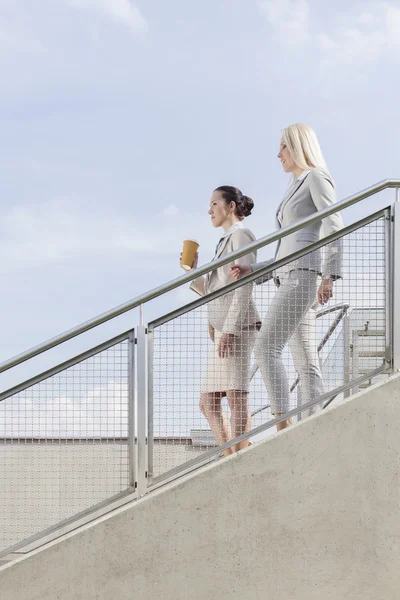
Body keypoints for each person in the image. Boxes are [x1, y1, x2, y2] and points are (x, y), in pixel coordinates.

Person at [231, 124, 344, 431]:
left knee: (266, 348)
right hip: (290, 274)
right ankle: (314, 426)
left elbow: (333, 223)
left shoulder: (316, 177)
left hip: (302, 276)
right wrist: (258, 271)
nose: (278, 153)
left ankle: (284, 426)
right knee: (307, 363)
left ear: (297, 147)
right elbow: (288, 244)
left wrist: (329, 275)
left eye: (283, 147)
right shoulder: (294, 185)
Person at [183, 186, 260, 455]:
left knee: (235, 395)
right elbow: (215, 290)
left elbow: (244, 285)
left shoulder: (242, 235)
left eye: (214, 203)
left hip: (236, 328)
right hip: (222, 331)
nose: (210, 210)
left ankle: (240, 457)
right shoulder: (224, 241)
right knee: (208, 402)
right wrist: (193, 274)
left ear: (230, 207)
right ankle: (232, 456)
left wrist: (229, 329)